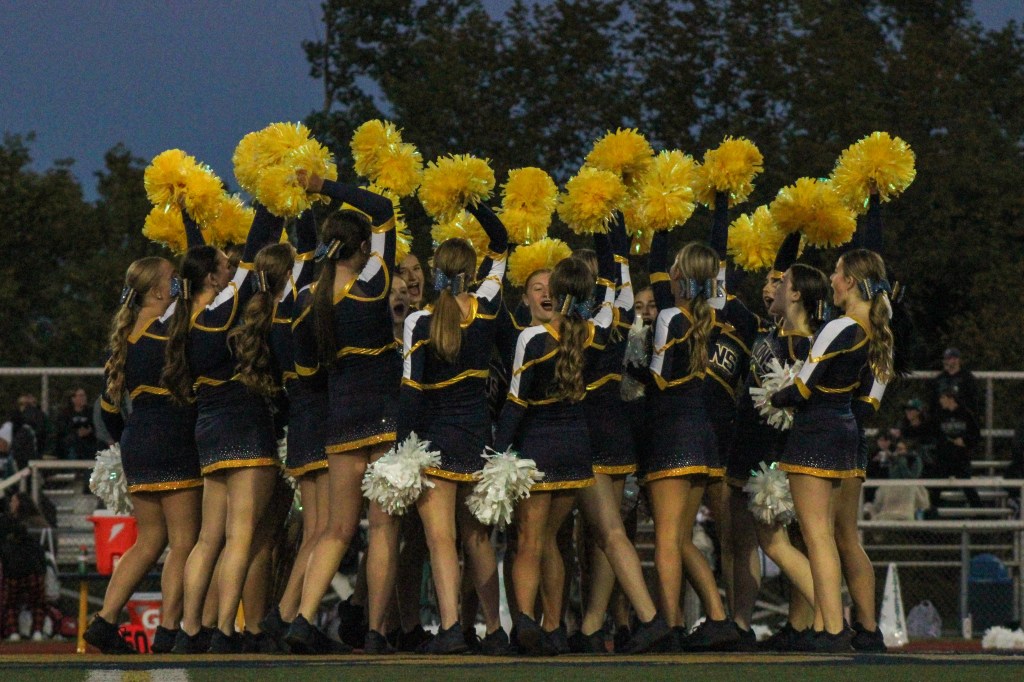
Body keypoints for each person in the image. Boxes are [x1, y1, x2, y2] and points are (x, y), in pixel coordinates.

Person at [284, 172, 399, 655]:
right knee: (384, 529)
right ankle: (374, 631)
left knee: (335, 529)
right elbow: (383, 210)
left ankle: (304, 618)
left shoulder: (308, 298)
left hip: (339, 417)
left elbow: (305, 367)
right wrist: (324, 185)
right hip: (384, 415)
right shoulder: (373, 284)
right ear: (359, 250)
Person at [166, 201, 287, 654]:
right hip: (243, 423)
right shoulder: (221, 312)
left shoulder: (185, 318)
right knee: (240, 536)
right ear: (215, 279)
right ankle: (223, 630)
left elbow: (200, 256)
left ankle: (190, 629)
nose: (230, 268)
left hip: (209, 429)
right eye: (224, 266)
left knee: (206, 538)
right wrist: (271, 204)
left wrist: (188, 216)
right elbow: (255, 251)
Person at [771, 248, 896, 653]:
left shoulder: (839, 327)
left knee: (818, 535)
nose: (832, 278)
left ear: (852, 282)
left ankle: (832, 627)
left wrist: (773, 397)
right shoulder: (879, 335)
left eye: (838, 272)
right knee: (840, 534)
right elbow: (867, 403)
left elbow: (802, 387)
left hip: (817, 431)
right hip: (847, 433)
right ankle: (856, 626)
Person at [398, 201, 508, 654]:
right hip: (477, 437)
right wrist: (473, 203)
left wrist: (400, 451)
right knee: (478, 540)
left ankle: (449, 628)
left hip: (434, 441)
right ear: (473, 270)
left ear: (435, 270)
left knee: (439, 539)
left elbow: (410, 394)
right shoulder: (486, 309)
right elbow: (502, 242)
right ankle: (495, 631)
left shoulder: (418, 321)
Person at [493, 254, 615, 656]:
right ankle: (554, 627)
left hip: (537, 446)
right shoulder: (595, 333)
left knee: (530, 540)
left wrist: (499, 456)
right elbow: (618, 297)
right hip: (576, 447)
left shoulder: (532, 338)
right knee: (551, 541)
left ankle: (527, 623)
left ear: (559, 293)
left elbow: (514, 403)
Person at [84, 256, 205, 655]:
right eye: (172, 279)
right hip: (172, 437)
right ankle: (169, 629)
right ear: (156, 290)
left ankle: (105, 619)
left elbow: (107, 409)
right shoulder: (166, 329)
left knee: (149, 540)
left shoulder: (127, 336)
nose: (177, 284)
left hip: (138, 441)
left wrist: (125, 442)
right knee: (185, 542)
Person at [571, 217, 670, 655]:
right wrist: (610, 220)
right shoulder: (619, 313)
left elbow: (617, 273)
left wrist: (602, 219)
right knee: (608, 534)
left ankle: (649, 618)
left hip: (589, 434)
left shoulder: (578, 327)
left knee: (608, 533)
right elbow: (622, 273)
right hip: (618, 432)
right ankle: (593, 625)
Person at [644, 234, 738, 651]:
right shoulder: (713, 316)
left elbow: (659, 378)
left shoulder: (670, 317)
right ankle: (718, 618)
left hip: (672, 432)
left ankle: (671, 626)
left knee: (666, 538)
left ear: (680, 275)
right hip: (704, 435)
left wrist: (634, 370)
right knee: (681, 540)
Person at [931, 388, 982, 508]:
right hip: (944, 457)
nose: (940, 401)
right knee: (937, 487)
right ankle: (932, 515)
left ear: (951, 399)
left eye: (943, 398)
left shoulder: (966, 414)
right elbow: (932, 432)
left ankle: (980, 513)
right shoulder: (939, 415)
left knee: (967, 486)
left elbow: (976, 435)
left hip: (960, 458)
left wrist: (965, 441)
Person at [927, 348, 980, 416]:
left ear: (957, 360)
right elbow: (933, 401)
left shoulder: (967, 378)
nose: (945, 362)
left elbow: (973, 401)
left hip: (961, 419)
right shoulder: (939, 379)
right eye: (945, 359)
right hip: (942, 419)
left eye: (948, 359)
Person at [54, 388, 99, 460]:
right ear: (73, 399)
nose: (84, 398)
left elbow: (96, 426)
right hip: (71, 443)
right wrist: (77, 433)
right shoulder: (65, 413)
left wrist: (89, 431)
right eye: (81, 396)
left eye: (84, 396)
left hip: (89, 442)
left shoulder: (91, 412)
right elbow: (62, 429)